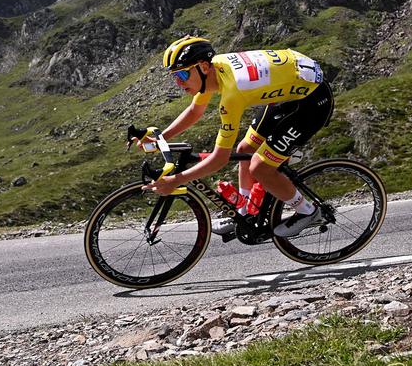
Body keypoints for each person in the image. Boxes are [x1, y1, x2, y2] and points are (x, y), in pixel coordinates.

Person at [138, 36, 334, 238]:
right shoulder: (213, 71)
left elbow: (219, 159)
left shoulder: (232, 94)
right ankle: (244, 214)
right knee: (244, 150)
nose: (178, 82)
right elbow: (195, 111)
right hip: (289, 91)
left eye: (182, 74)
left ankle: (308, 211)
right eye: (174, 76)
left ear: (204, 67)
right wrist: (161, 136)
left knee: (259, 166)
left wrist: (176, 180)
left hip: (313, 103)